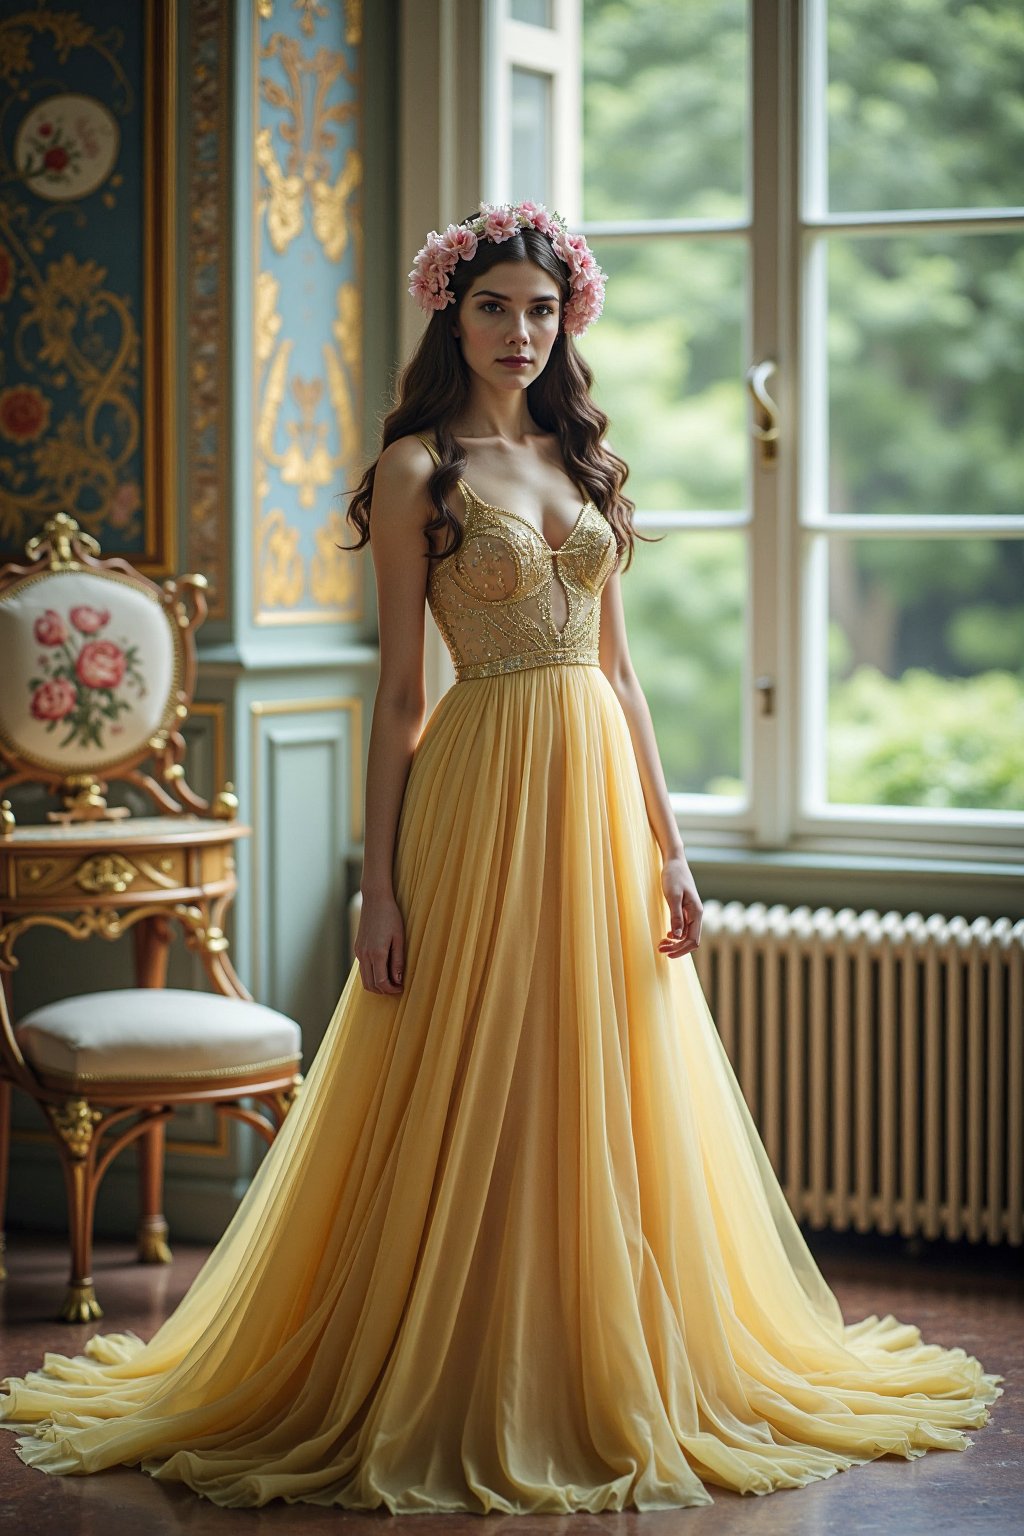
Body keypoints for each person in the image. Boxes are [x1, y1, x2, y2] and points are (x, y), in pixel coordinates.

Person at [0, 201, 1004, 1515]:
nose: (519, 332)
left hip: (593, 787)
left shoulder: (589, 463)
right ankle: (465, 1357)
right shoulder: (420, 467)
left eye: (541, 308)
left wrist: (675, 849)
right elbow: (403, 696)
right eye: (493, 307)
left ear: (565, 318)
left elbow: (626, 677)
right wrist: (383, 882)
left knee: (600, 1062)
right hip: (479, 789)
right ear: (451, 315)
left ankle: (604, 1353)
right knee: (478, 1061)